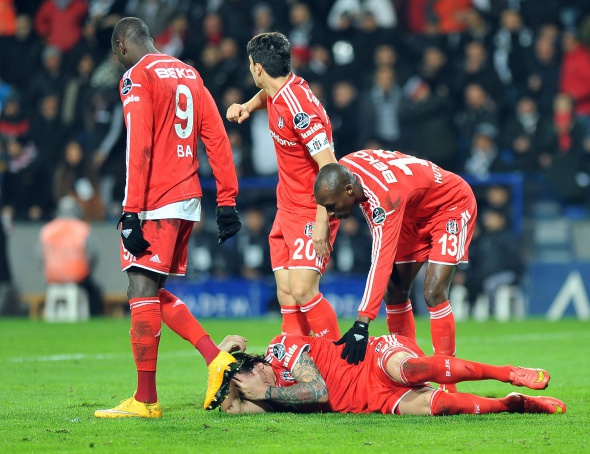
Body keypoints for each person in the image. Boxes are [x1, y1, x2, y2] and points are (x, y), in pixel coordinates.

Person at [94, 17, 242, 419]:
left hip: (155, 199)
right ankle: (215, 358)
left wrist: (130, 211)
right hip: (187, 198)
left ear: (122, 46)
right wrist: (227, 200)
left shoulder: (136, 76)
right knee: (149, 292)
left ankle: (146, 400)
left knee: (140, 289)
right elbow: (216, 137)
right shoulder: (189, 73)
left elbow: (138, 145)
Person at [313, 150, 478, 395]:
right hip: (411, 213)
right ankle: (410, 374)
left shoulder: (384, 199)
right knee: (394, 291)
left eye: (331, 206)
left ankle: (447, 384)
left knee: (433, 292)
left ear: (348, 190)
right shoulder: (346, 169)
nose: (329, 213)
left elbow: (381, 260)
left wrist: (362, 323)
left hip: (449, 206)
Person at [226, 32, 341, 341]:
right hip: (286, 208)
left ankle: (341, 364)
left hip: (311, 210)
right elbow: (268, 95)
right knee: (287, 292)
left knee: (303, 289)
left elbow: (330, 167)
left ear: (258, 68)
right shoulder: (280, 89)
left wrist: (321, 222)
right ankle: (296, 361)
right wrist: (248, 106)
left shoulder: (299, 109)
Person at [211, 333, 565, 416]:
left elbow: (318, 390)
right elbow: (228, 408)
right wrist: (217, 359)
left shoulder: (281, 348)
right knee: (439, 406)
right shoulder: (267, 395)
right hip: (372, 399)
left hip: (372, 358)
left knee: (412, 370)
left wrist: (265, 393)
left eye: (244, 384)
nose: (245, 393)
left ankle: (507, 373)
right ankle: (513, 403)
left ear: (258, 367)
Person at [39, 196, 104, 316]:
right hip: (78, 278)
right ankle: (95, 316)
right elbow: (93, 255)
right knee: (95, 291)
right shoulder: (83, 229)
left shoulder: (47, 229)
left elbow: (38, 256)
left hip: (52, 278)